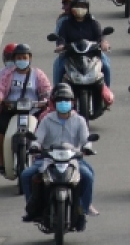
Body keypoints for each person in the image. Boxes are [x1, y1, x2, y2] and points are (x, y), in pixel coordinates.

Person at [21, 84, 95, 229]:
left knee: (88, 176)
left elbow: (86, 140)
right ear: (54, 103)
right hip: (48, 159)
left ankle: (82, 211)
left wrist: (86, 148)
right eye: (60, 100)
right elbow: (38, 138)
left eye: (67, 100)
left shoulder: (79, 120)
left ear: (73, 102)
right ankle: (32, 207)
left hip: (73, 159)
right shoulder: (47, 119)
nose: (64, 103)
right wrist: (35, 146)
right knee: (26, 175)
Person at [0, 42, 52, 174]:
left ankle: (44, 159)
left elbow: (47, 90)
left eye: (24, 58)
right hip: (10, 109)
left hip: (34, 110)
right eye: (18, 58)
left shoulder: (38, 74)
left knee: (47, 129)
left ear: (30, 58)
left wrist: (45, 100)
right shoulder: (7, 74)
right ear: (14, 59)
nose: (22, 60)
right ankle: (2, 161)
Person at [53, 0, 113, 89]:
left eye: (83, 6)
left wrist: (103, 43)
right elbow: (61, 39)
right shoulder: (65, 24)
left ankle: (106, 91)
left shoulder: (94, 23)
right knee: (59, 67)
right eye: (77, 6)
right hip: (71, 55)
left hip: (92, 55)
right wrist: (61, 46)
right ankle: (57, 94)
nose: (80, 9)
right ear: (72, 8)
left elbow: (100, 37)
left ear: (87, 8)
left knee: (106, 65)